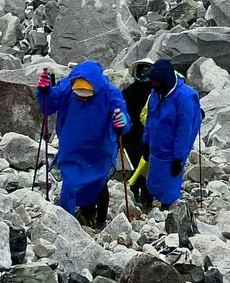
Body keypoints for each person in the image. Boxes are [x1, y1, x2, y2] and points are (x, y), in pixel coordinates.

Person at [36, 60, 129, 226]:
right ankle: (67, 223)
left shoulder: (110, 93)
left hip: (100, 150)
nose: (82, 98)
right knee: (70, 185)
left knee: (99, 184)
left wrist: (122, 121)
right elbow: (48, 106)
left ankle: (99, 221)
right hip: (72, 148)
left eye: (86, 95)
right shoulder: (66, 87)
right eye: (78, 94)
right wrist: (45, 91)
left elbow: (124, 120)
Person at [128, 59, 202, 210]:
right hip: (156, 147)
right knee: (154, 181)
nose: (153, 86)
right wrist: (146, 142)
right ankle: (153, 202)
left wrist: (178, 158)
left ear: (165, 81)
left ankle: (168, 209)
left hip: (172, 151)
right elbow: (150, 119)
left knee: (170, 185)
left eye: (156, 83)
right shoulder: (156, 92)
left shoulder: (184, 98)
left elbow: (184, 131)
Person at [120, 60, 153, 208]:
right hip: (134, 135)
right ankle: (142, 196)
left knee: (141, 165)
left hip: (139, 135)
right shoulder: (156, 92)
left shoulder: (128, 92)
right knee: (141, 165)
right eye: (142, 71)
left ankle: (141, 195)